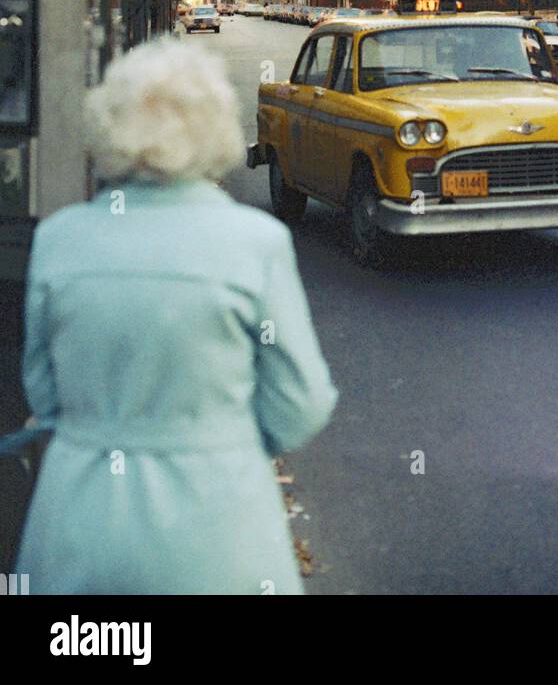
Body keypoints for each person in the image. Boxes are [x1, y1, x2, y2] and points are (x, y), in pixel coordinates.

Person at [15, 39, 337, 594]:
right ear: (214, 128)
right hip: (220, 529)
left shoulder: (58, 241)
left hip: (78, 524)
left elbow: (43, 394)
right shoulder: (254, 243)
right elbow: (299, 405)